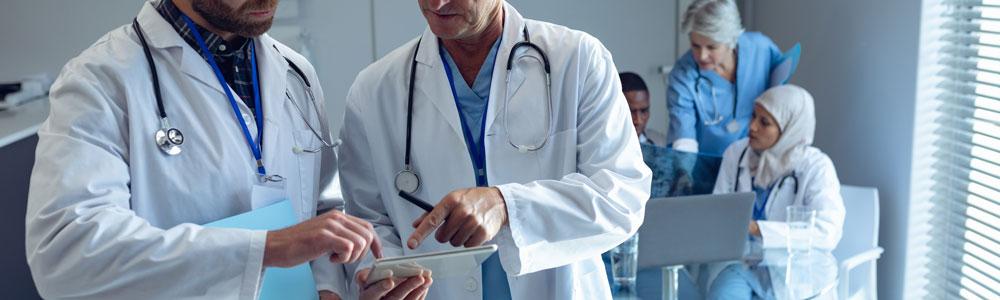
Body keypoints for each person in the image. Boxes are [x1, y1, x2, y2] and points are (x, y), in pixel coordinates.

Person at [24, 1, 427, 299]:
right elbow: (66, 252)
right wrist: (267, 247)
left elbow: (321, 212)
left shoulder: (295, 73)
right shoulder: (101, 80)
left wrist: (331, 289)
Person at [337, 0, 652, 298]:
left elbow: (622, 197)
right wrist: (384, 276)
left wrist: (506, 206)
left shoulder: (578, 60)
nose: (436, 4)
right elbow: (366, 219)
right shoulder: (374, 89)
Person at [705, 85, 845, 299]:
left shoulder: (816, 167)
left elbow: (827, 233)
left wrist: (757, 229)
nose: (752, 127)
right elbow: (717, 208)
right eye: (753, 116)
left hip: (797, 272)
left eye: (764, 123)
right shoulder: (737, 153)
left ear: (789, 129)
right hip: (743, 265)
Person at [667, 0, 786, 157]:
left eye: (711, 47)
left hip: (757, 158)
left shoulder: (761, 49)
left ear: (731, 41)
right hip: (706, 163)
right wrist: (685, 166)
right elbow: (684, 133)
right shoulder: (683, 74)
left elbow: (780, 96)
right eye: (695, 45)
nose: (702, 55)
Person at [620, 72, 666, 146]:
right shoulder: (600, 148)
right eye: (631, 112)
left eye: (644, 111)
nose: (638, 120)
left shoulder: (660, 143)